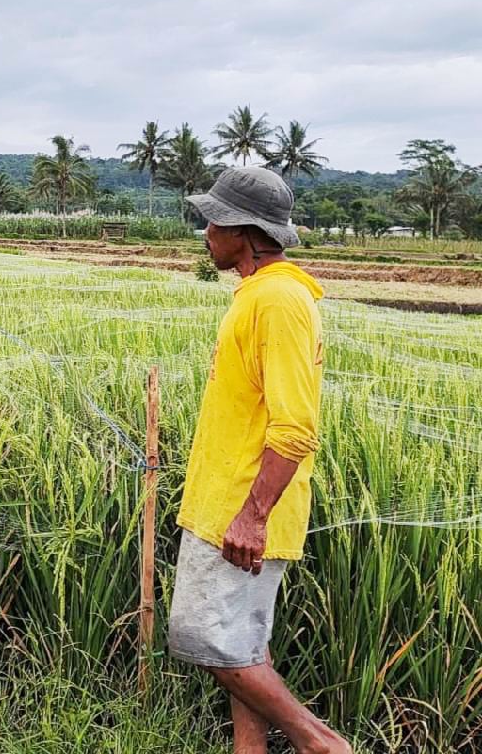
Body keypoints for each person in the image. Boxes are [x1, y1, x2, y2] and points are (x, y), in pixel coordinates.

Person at [168, 167, 352, 754]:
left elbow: (295, 428)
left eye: (212, 222)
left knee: (206, 642)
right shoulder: (260, 294)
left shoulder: (278, 301)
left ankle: (321, 745)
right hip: (226, 503)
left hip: (241, 512)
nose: (205, 233)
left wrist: (252, 514)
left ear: (241, 232)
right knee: (242, 644)